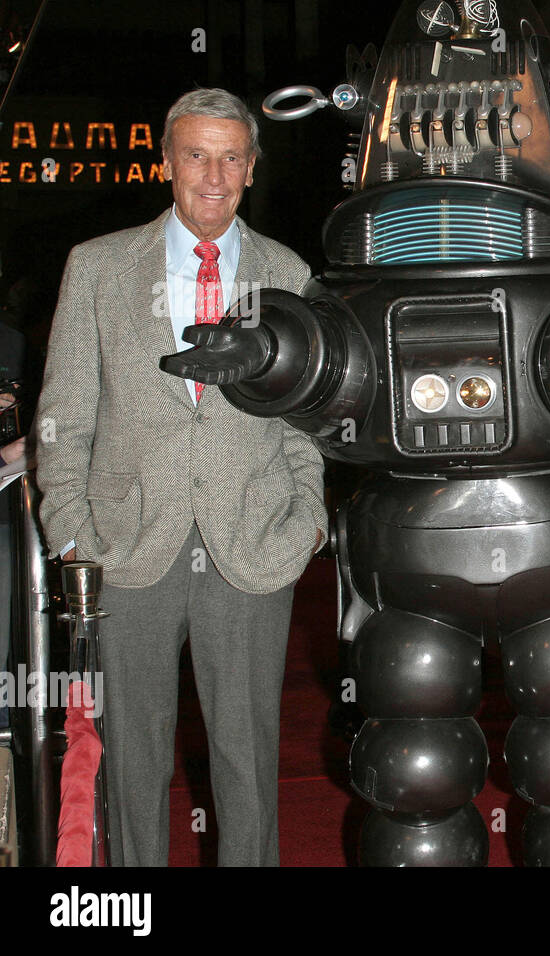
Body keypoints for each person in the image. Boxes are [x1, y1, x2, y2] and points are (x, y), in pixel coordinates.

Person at [34, 88, 327, 866]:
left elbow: (308, 426)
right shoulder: (97, 268)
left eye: (232, 158)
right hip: (125, 551)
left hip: (252, 546)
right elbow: (63, 421)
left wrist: (305, 525)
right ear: (165, 162)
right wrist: (74, 541)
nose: (213, 175)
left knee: (249, 765)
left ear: (252, 170)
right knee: (133, 766)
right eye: (196, 155)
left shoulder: (288, 274)